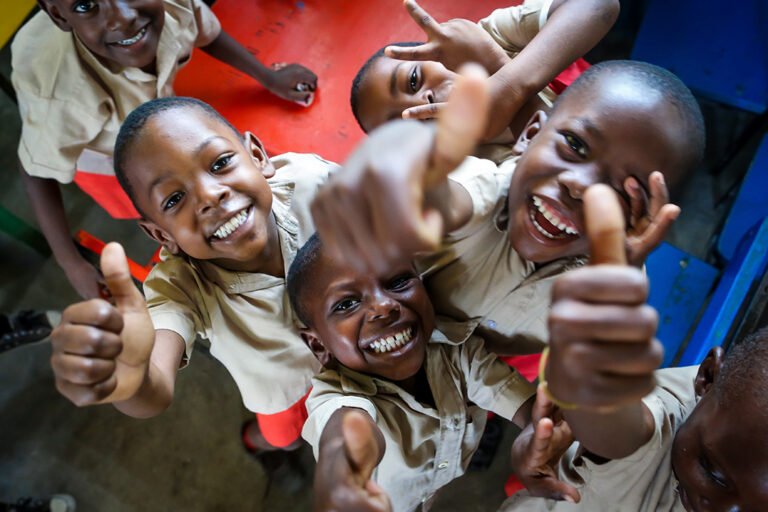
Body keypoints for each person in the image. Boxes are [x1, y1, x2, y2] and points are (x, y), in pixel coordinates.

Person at [312, 60, 705, 356]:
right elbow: (451, 199)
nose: (580, 186)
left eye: (624, 190)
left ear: (648, 218)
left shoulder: (617, 273)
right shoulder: (483, 186)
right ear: (530, 135)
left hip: (498, 361)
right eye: (576, 145)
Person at [49, 96, 336, 454]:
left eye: (219, 163)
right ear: (161, 235)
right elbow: (154, 388)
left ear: (259, 157)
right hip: (289, 390)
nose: (210, 196)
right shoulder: (178, 289)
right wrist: (130, 378)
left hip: (360, 340)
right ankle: (262, 443)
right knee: (285, 437)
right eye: (173, 200)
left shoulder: (313, 181)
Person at [12, 0, 318, 300]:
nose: (123, 18)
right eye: (86, 5)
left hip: (157, 116)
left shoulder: (174, 5)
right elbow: (35, 169)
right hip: (102, 159)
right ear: (57, 14)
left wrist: (268, 77)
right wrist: (71, 263)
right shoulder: (61, 99)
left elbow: (202, 30)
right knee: (172, 213)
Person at [503, 185, 768, 510]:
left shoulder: (723, 434)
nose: (724, 510)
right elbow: (611, 423)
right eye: (714, 474)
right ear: (707, 379)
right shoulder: (655, 431)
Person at [288, 233, 537, 512]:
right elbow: (343, 432)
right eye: (346, 304)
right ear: (318, 344)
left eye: (397, 282)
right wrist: (344, 477)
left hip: (431, 489)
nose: (384, 306)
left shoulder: (455, 349)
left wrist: (541, 426)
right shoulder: (338, 398)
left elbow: (507, 392)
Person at [349, 0, 617, 162]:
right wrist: (501, 79)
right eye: (401, 125)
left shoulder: (484, 37)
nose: (421, 103)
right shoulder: (473, 170)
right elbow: (580, 165)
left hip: (615, 99)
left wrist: (505, 84)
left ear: (434, 52)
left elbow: (599, 5)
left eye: (414, 80)